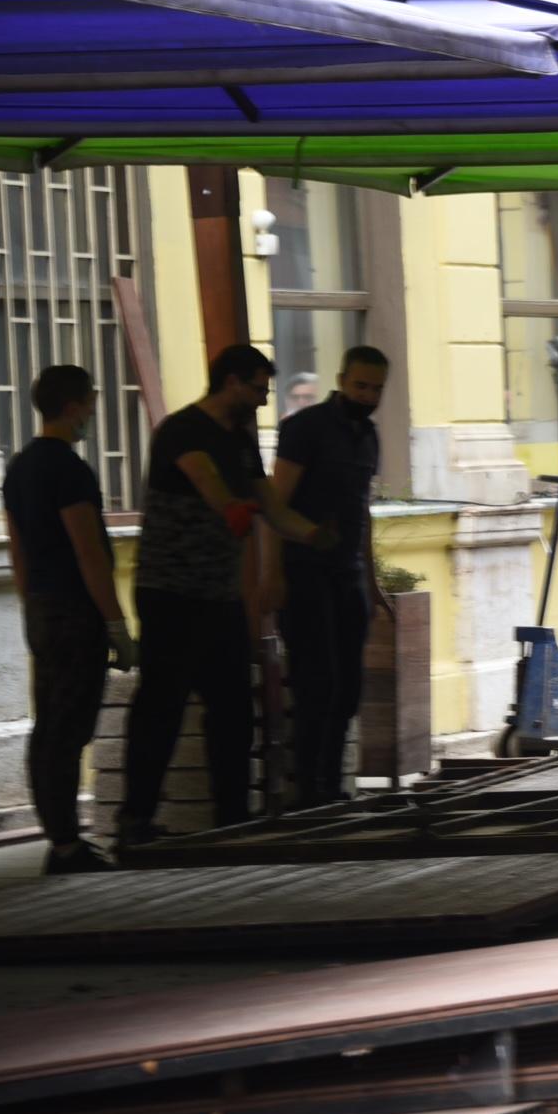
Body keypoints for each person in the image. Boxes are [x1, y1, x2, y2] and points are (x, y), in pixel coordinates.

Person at [123, 345, 334, 847]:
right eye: (258, 389)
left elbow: (268, 504)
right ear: (231, 382)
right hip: (170, 592)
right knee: (162, 706)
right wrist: (230, 510)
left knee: (234, 709)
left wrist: (311, 534)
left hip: (217, 595)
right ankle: (135, 824)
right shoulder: (182, 430)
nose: (263, 400)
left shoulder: (241, 438)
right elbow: (208, 482)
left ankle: (234, 819)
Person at [1, 365, 135, 874]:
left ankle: (60, 840)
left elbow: (19, 552)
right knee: (68, 729)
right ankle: (65, 848)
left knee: (50, 726)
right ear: (75, 405)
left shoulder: (19, 468)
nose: (93, 413)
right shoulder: (70, 471)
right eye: (91, 402)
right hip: (76, 613)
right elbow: (89, 554)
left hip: (41, 608)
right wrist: (117, 625)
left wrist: (31, 606)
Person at [269, 346, 390, 808]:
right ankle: (308, 790)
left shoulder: (369, 437)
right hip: (305, 574)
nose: (368, 395)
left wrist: (373, 583)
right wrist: (273, 574)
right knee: (315, 683)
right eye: (361, 385)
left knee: (347, 689)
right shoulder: (304, 430)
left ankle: (329, 784)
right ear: (342, 379)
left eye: (377, 388)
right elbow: (275, 505)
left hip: (348, 577)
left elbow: (363, 510)